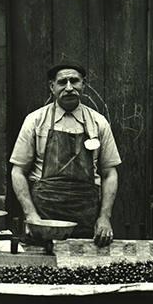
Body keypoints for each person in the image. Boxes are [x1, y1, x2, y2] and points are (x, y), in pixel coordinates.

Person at [9, 61, 121, 247]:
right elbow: (17, 171)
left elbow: (110, 173)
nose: (69, 87)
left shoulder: (98, 123)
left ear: (83, 85)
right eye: (62, 82)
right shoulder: (35, 120)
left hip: (86, 216)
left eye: (74, 81)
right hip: (43, 216)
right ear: (52, 87)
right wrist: (31, 216)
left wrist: (104, 217)